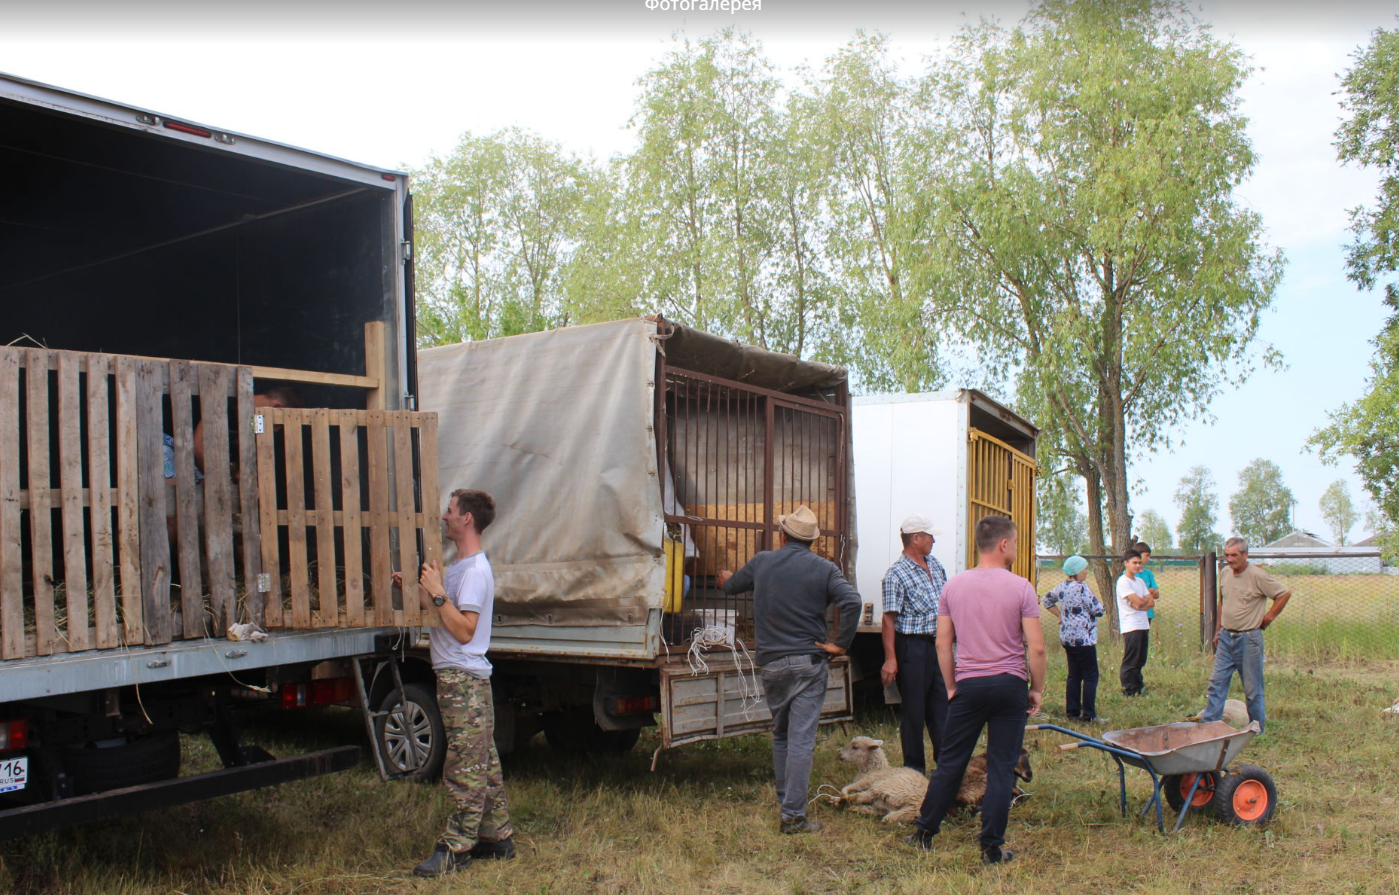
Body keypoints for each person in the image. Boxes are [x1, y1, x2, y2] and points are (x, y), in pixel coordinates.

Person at [904, 515, 1046, 865]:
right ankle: (991, 848)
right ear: (1003, 544)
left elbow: (942, 643)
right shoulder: (1021, 587)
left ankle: (924, 832)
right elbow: (1038, 648)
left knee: (951, 761)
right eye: (1013, 543)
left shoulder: (953, 586)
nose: (1014, 548)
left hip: (969, 684)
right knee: (1001, 765)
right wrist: (1037, 689)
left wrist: (951, 685)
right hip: (1010, 684)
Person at [717, 505, 861, 835]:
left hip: (771, 663)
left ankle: (787, 802)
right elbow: (851, 601)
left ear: (782, 535)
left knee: (781, 734)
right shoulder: (825, 569)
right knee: (800, 739)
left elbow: (731, 585)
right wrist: (840, 644)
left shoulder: (764, 562)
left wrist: (725, 577)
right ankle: (793, 816)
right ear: (812, 541)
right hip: (807, 663)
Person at [395, 489, 515, 877]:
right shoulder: (460, 567)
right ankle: (497, 838)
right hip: (461, 679)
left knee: (465, 763)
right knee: (484, 759)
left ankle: (456, 847)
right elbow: (447, 612)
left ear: (466, 519)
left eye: (449, 512)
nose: (443, 517)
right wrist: (419, 591)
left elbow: (465, 630)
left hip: (462, 679)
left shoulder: (476, 571)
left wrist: (436, 592)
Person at [879, 514, 950, 774]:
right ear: (915, 539)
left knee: (941, 705)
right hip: (913, 648)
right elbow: (889, 619)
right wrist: (891, 658)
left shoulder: (936, 565)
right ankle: (914, 770)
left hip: (938, 646)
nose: (933, 540)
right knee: (914, 711)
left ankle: (946, 766)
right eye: (929, 536)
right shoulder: (896, 574)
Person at [1201, 537, 1291, 734]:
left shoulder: (1257, 575)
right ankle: (1208, 729)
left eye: (1234, 555)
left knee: (1252, 690)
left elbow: (1283, 593)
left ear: (1245, 555)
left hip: (1248, 640)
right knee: (1216, 684)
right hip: (1226, 638)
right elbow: (1222, 602)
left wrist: (1267, 618)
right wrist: (1218, 630)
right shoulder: (1225, 573)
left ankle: (1256, 729)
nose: (1230, 559)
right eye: (1227, 555)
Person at [1043, 555, 1106, 723]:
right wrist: (1094, 595)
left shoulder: (1062, 587)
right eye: (1085, 568)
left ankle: (1072, 712)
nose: (1087, 571)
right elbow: (1098, 611)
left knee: (1074, 675)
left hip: (1067, 637)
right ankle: (1089, 715)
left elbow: (1046, 600)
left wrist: (1061, 616)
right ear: (1077, 570)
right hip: (1084, 639)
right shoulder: (1082, 588)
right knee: (1091, 676)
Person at [1116, 547, 1156, 696]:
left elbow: (1149, 602)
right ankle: (1129, 688)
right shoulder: (1123, 582)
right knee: (1131, 658)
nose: (1138, 566)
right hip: (1131, 625)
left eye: (1139, 563)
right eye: (1134, 563)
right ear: (1126, 563)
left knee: (1141, 658)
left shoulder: (1139, 581)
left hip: (1143, 623)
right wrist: (1141, 602)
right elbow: (1139, 602)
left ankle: (1138, 686)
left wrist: (1141, 603)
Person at [1135, 542, 1161, 622]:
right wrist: (1149, 591)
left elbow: (1156, 594)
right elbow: (1135, 595)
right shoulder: (1129, 574)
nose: (1149, 558)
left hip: (1148, 613)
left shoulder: (1149, 573)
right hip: (1135, 614)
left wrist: (1145, 593)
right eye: (1146, 556)